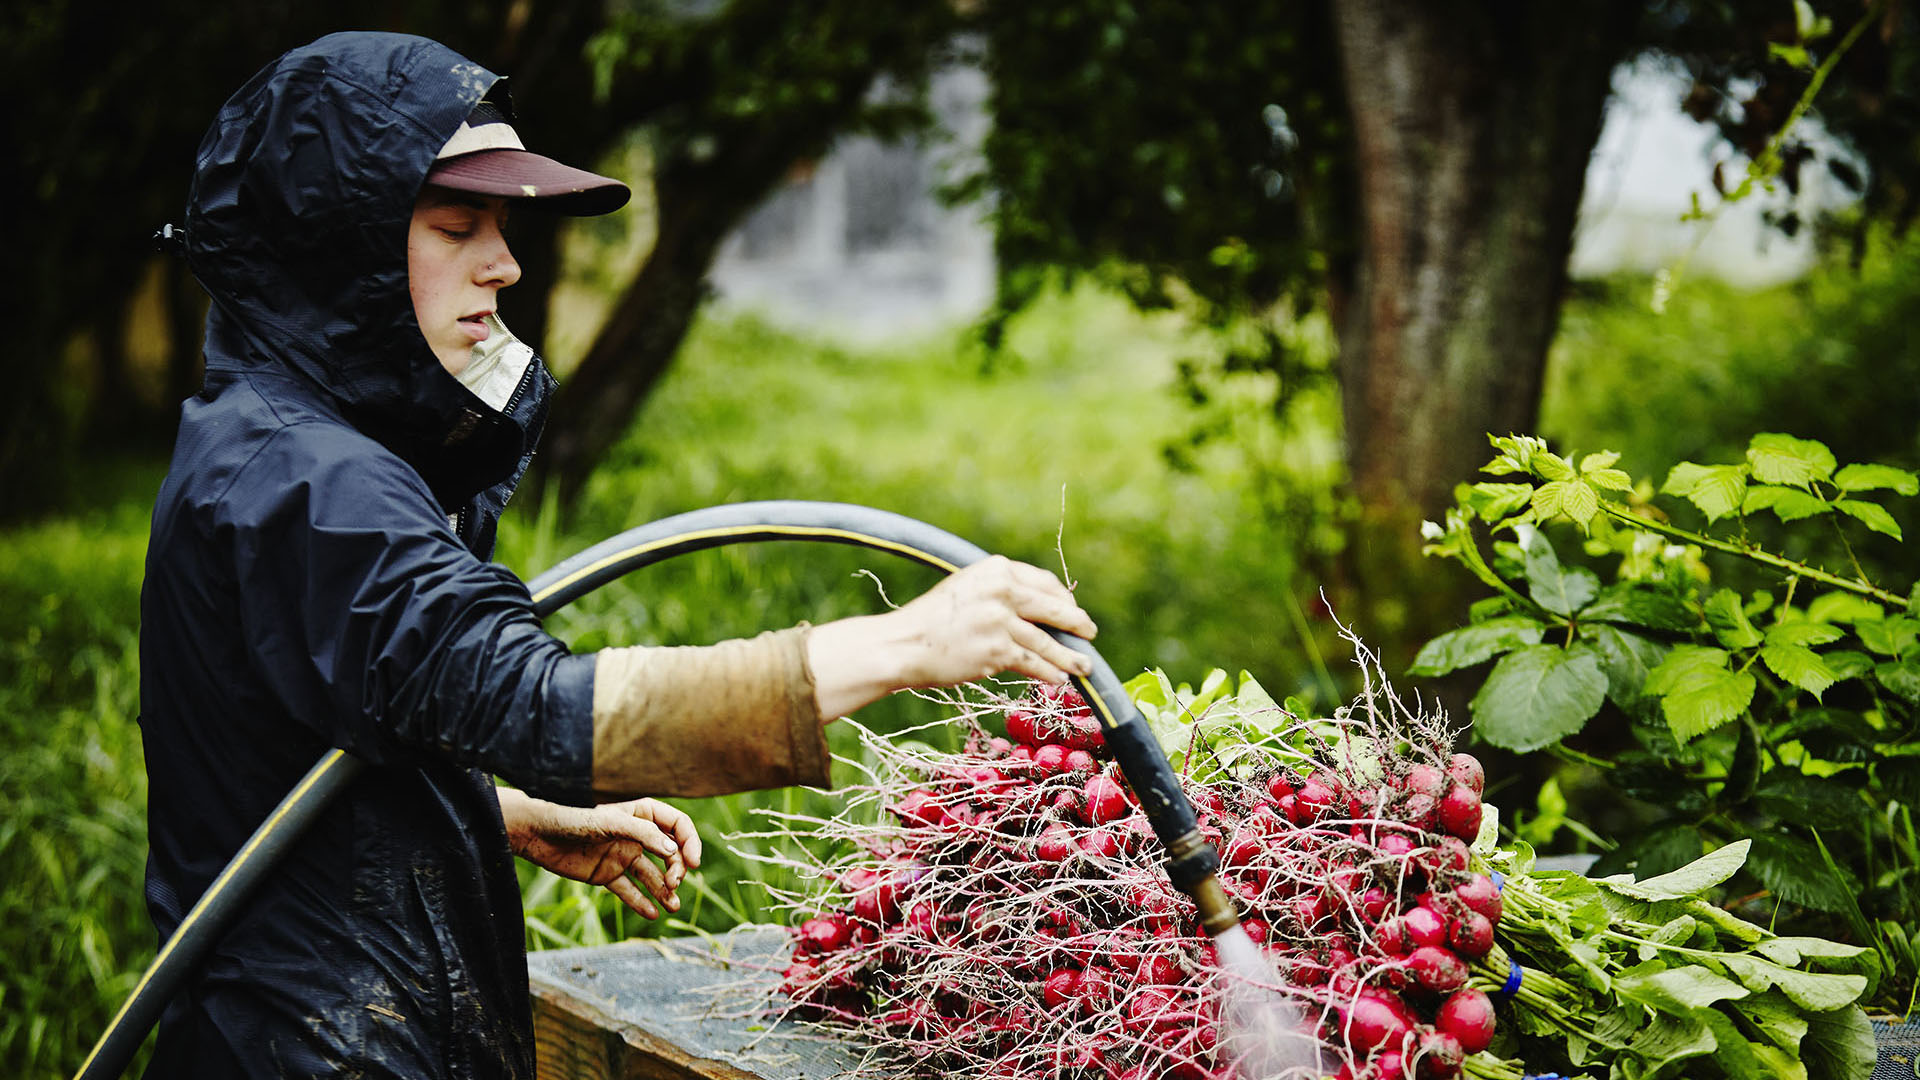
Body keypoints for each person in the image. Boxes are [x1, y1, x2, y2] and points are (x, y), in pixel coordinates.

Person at [140, 30, 1095, 1078]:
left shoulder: (273, 442)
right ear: (332, 248)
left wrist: (484, 814)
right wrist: (905, 644)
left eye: (501, 227)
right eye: (458, 225)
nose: (502, 262)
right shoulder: (314, 486)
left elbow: (284, 741)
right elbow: (536, 703)